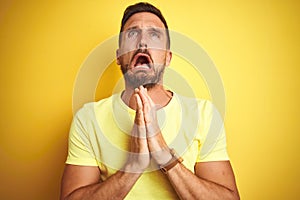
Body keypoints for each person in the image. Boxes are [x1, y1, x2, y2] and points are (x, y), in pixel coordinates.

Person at [60, 2, 240, 200]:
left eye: (154, 34)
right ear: (119, 56)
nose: (142, 42)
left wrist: (165, 157)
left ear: (167, 57)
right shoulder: (88, 119)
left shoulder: (204, 115)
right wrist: (133, 166)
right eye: (132, 33)